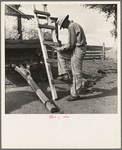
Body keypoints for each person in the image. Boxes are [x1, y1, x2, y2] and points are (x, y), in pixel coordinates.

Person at [56, 15, 87, 101]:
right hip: (76, 48)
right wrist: (61, 49)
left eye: (63, 26)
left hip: (78, 49)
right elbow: (72, 43)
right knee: (60, 54)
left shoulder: (71, 26)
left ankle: (75, 94)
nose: (64, 27)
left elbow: (71, 44)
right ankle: (64, 73)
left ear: (65, 21)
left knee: (76, 73)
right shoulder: (73, 25)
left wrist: (61, 48)